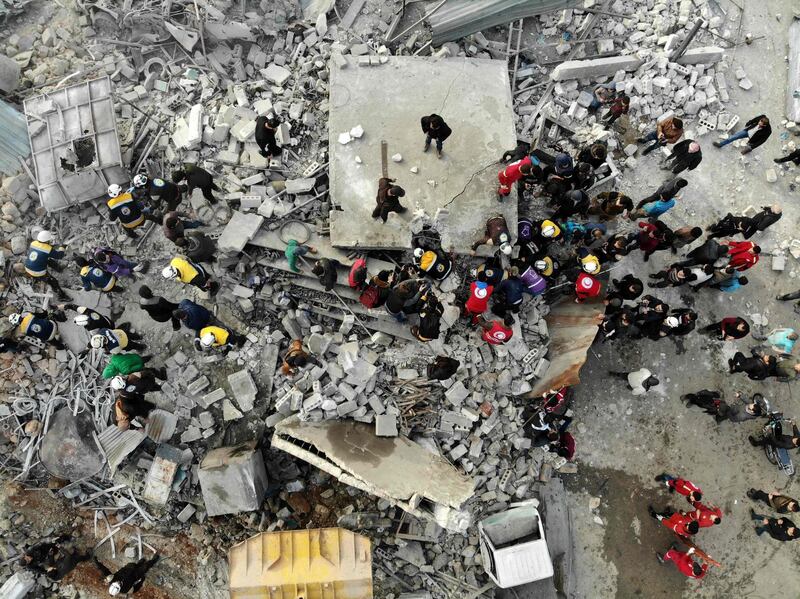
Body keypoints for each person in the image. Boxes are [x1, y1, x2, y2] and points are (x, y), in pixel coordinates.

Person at [21, 535, 92, 581]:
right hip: (72, 561)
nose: (29, 559)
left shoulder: (54, 575)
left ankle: (67, 537)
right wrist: (60, 547)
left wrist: (50, 554)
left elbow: (41, 545)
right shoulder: (64, 565)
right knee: (76, 557)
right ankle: (87, 556)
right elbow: (67, 555)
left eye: (27, 558)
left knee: (55, 548)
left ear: (25, 556)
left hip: (45, 551)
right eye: (28, 561)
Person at [24, 230, 69, 300]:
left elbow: (43, 248)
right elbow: (59, 256)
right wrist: (62, 247)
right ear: (47, 240)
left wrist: (51, 247)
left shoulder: (33, 243)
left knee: (48, 259)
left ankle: (59, 268)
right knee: (53, 281)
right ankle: (62, 296)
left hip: (27, 267)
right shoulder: (48, 249)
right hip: (37, 272)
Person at [93, 553, 161, 596]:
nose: (118, 582)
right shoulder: (126, 590)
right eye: (119, 585)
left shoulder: (111, 579)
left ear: (112, 584)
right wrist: (141, 581)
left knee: (135, 565)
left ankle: (139, 563)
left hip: (128, 568)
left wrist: (96, 562)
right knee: (146, 566)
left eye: (115, 583)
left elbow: (103, 569)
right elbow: (135, 589)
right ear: (119, 590)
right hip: (136, 575)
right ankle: (154, 560)